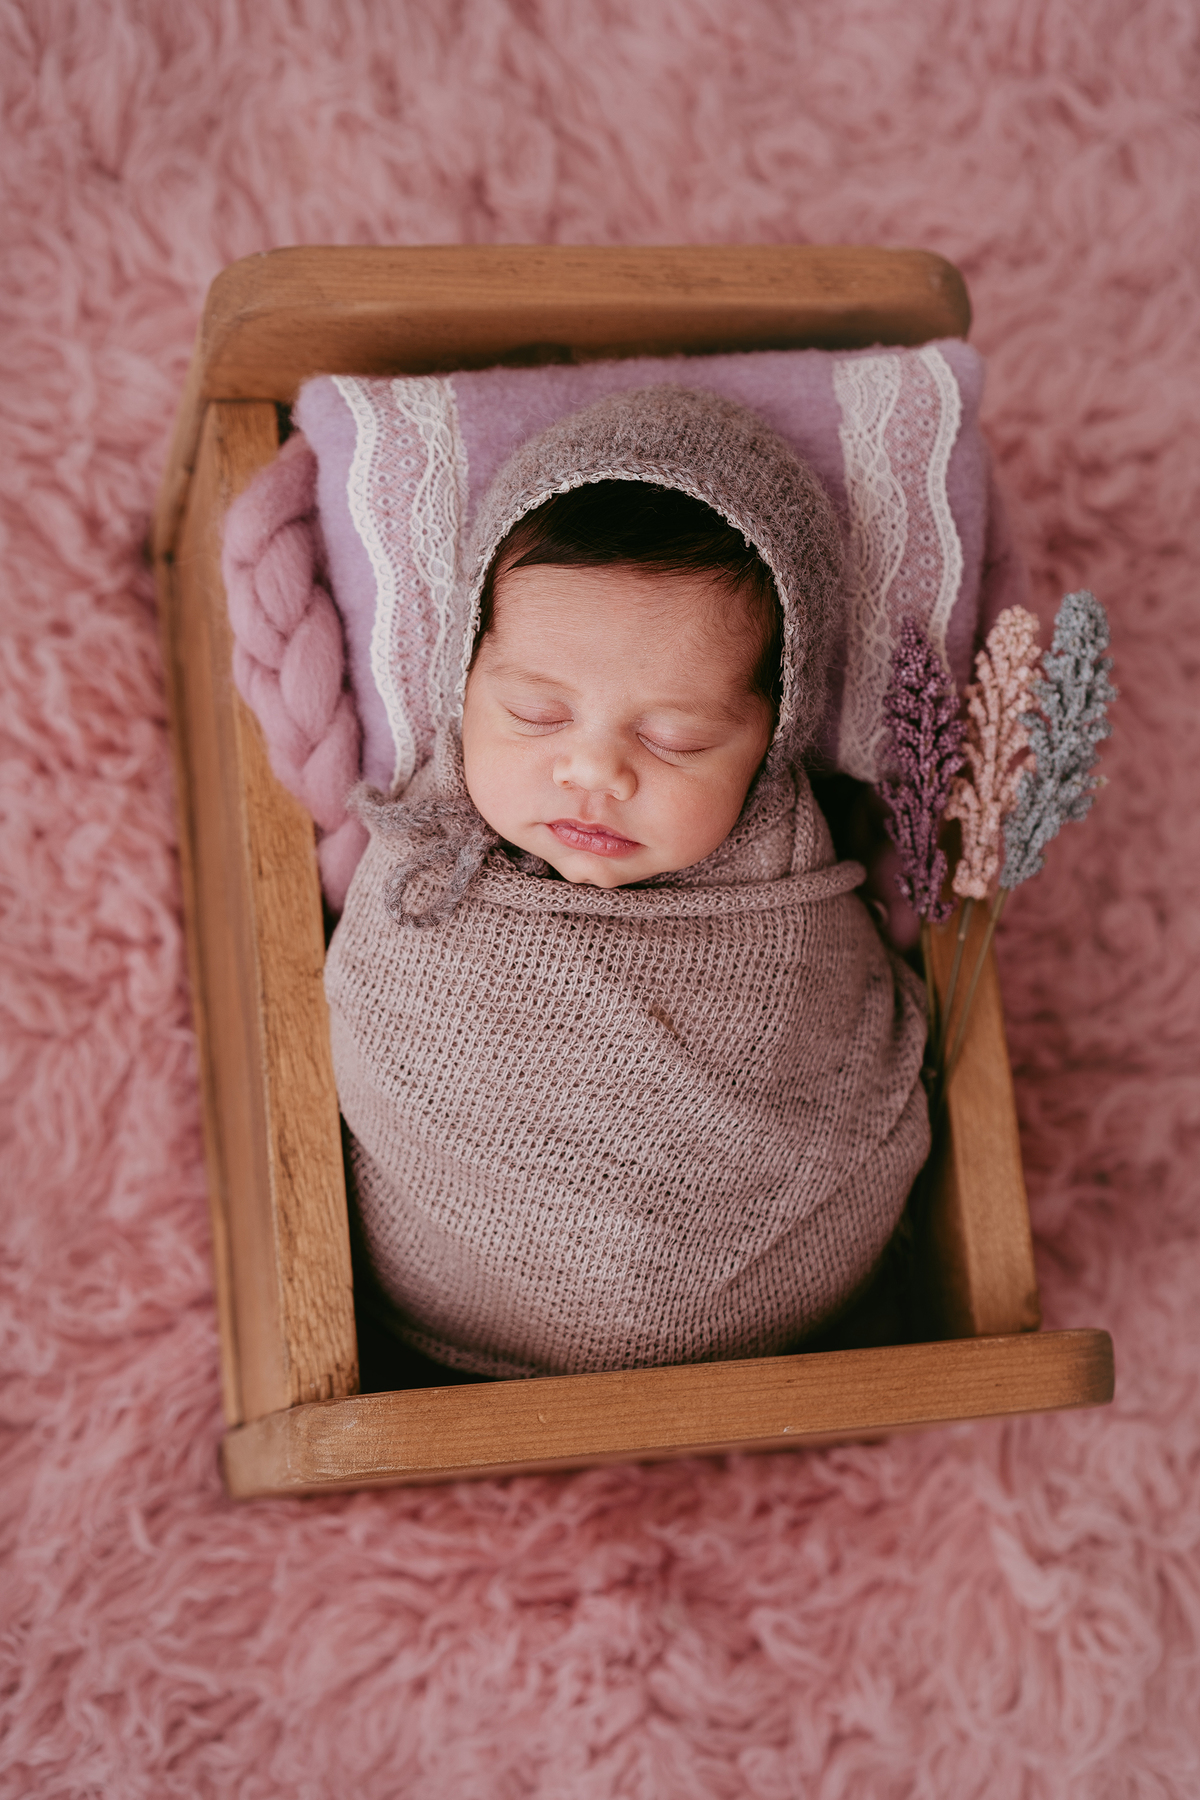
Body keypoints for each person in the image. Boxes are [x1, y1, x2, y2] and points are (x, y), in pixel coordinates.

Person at [325, 386, 930, 1379]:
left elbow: (839, 1078)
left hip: (774, 1352)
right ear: (462, 684)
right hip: (448, 1303)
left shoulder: (795, 903)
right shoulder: (421, 863)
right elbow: (384, 1031)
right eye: (535, 715)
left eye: (676, 738)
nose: (596, 773)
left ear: (771, 740)